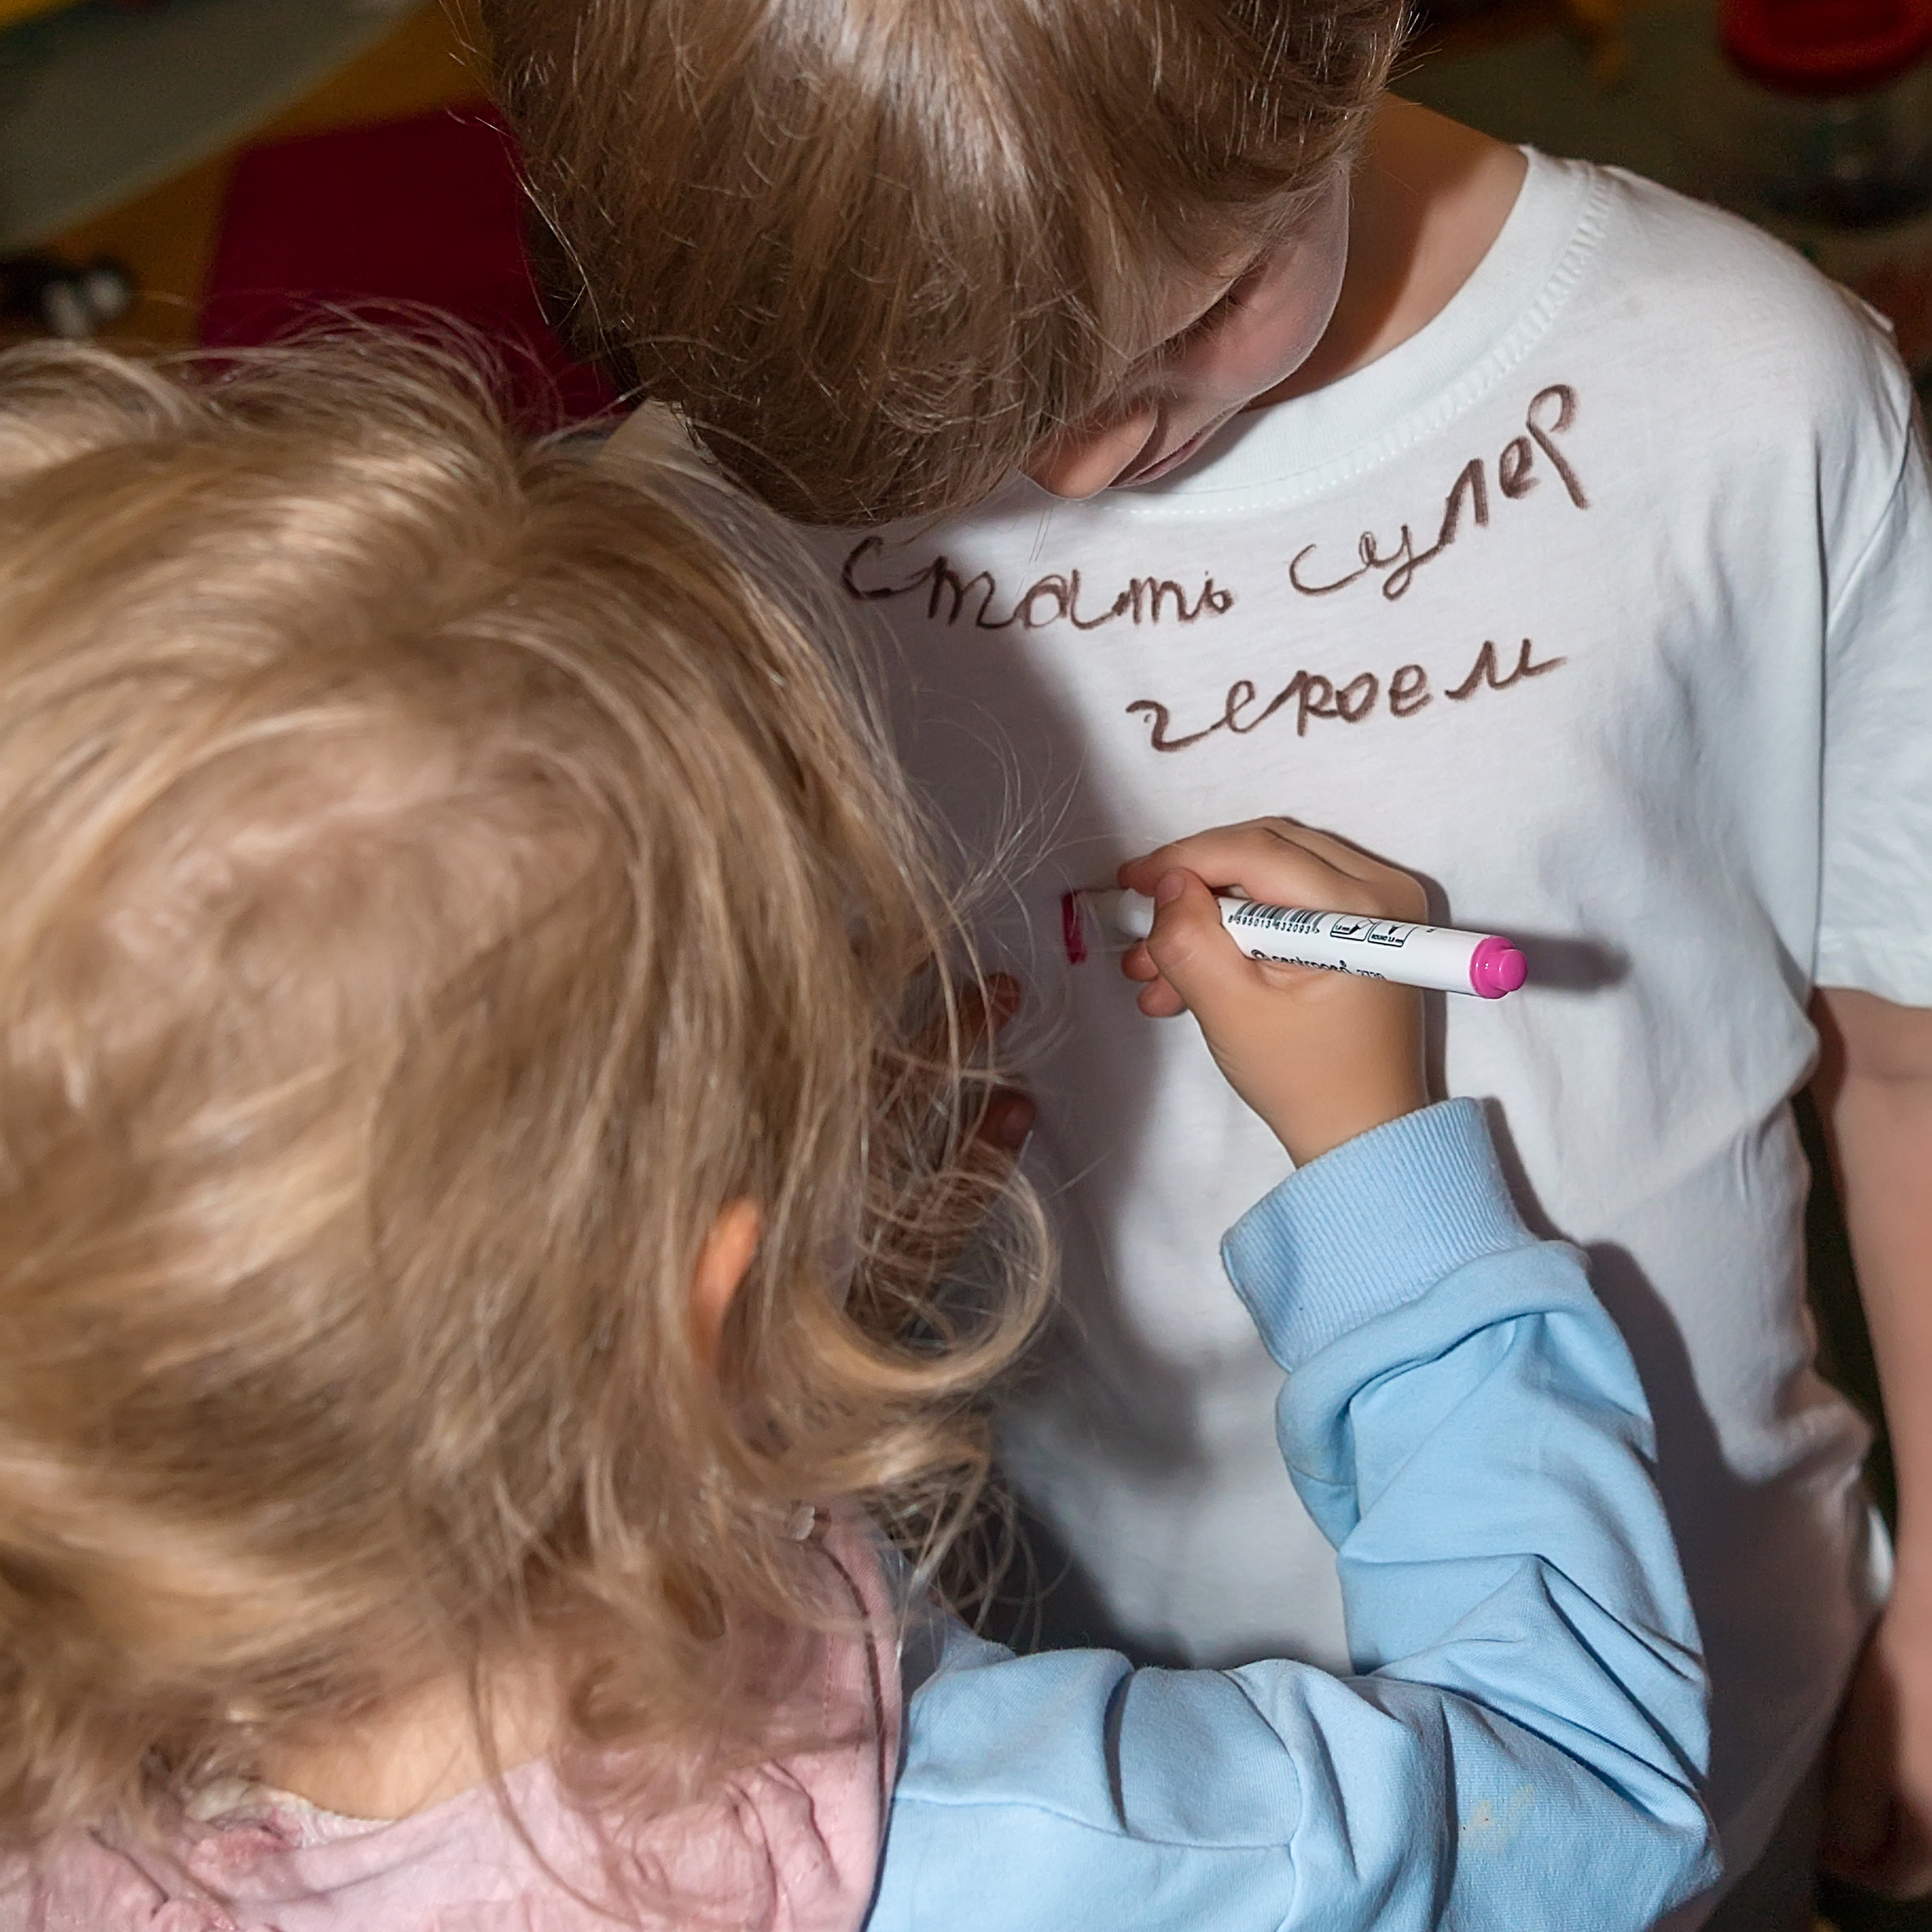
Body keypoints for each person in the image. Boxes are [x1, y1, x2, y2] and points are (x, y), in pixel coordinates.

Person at [478, 2, 1932, 1922]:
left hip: (1705, 1675)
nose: (1079, 464)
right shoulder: (689, 530)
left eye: (1190, 316)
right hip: (1083, 1753)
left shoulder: (1744, 390)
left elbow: (1902, 1059)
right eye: (961, 410)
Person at [0, 338, 1713, 1929]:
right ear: (688, 1302)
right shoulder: (1048, 1856)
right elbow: (1578, 1794)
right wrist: (1373, 1167)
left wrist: (787, 1326)